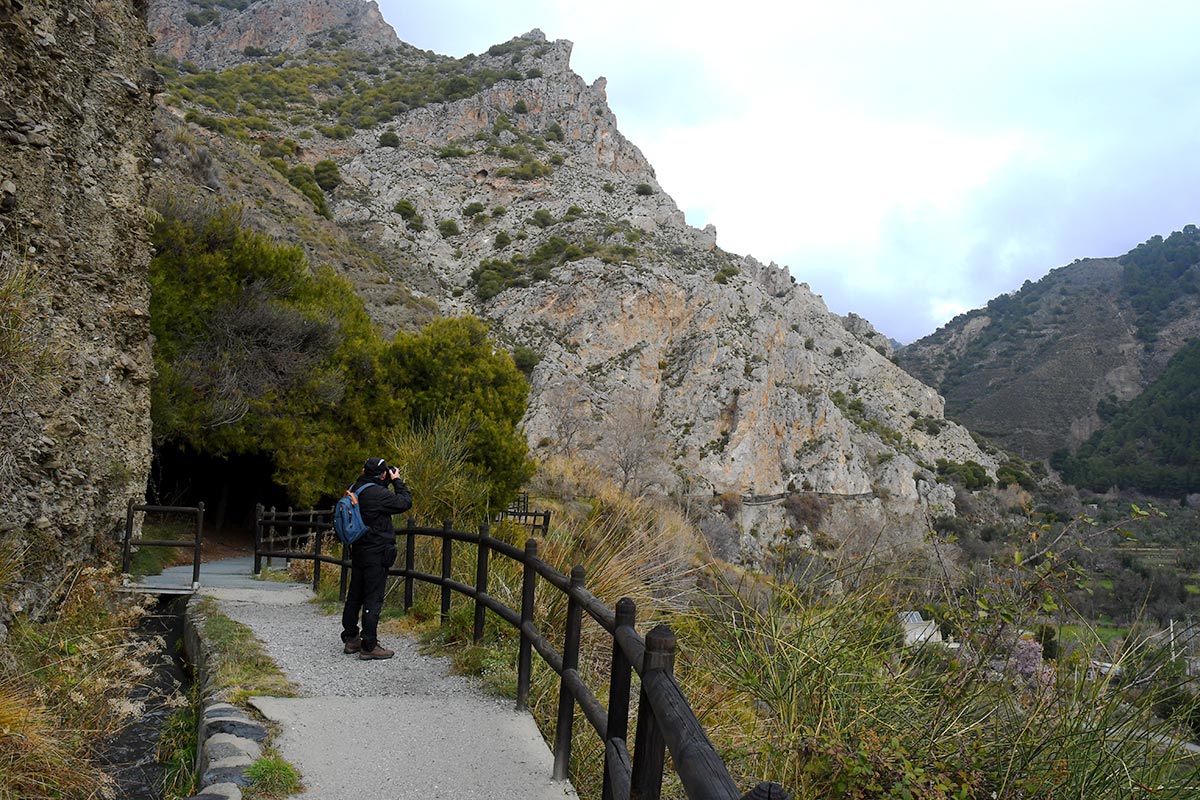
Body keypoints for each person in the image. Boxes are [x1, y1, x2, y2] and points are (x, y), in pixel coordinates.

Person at [340, 457, 412, 660]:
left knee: (355, 595)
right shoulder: (379, 494)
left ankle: (351, 639)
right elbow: (405, 502)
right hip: (377, 552)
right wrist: (397, 480)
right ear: (382, 474)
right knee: (373, 597)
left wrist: (385, 480)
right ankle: (369, 645)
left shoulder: (355, 488)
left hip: (359, 549)